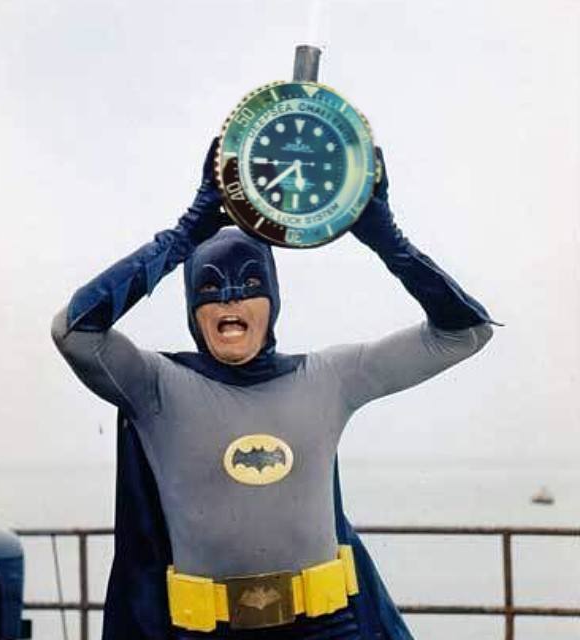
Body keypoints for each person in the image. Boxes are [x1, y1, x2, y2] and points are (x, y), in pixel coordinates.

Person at [51, 138, 494, 640]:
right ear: (193, 308)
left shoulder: (330, 377)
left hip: (329, 628)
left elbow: (464, 334)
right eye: (210, 288)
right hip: (205, 632)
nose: (230, 298)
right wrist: (182, 235)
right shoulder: (155, 387)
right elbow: (73, 333)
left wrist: (387, 240)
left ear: (274, 300)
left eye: (249, 284)